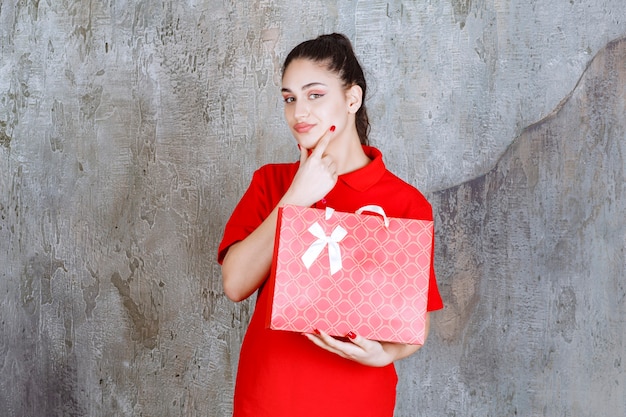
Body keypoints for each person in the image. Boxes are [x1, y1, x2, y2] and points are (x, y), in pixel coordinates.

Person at [217, 33, 443, 417]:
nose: (299, 113)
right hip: (269, 395)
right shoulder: (271, 183)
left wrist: (382, 354)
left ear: (352, 99)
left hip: (357, 399)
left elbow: (412, 326)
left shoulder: (406, 203)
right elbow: (235, 284)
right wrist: (296, 198)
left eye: (314, 95)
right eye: (289, 99)